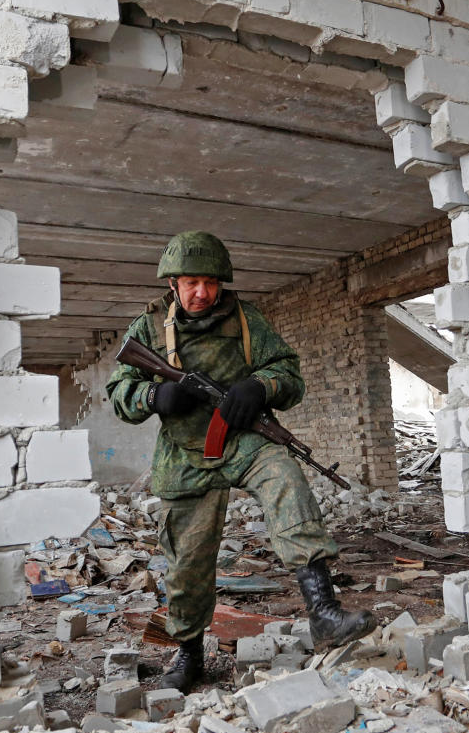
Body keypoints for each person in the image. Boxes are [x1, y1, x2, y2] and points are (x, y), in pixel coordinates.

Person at [105, 230, 376, 692]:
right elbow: (118, 392)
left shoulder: (247, 320)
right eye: (190, 282)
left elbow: (288, 374)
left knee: (288, 481)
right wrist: (154, 394)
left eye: (210, 282)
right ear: (172, 284)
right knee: (187, 562)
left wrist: (260, 388)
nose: (201, 293)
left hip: (244, 441)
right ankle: (189, 654)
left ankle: (324, 614)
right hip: (184, 454)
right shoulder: (148, 329)